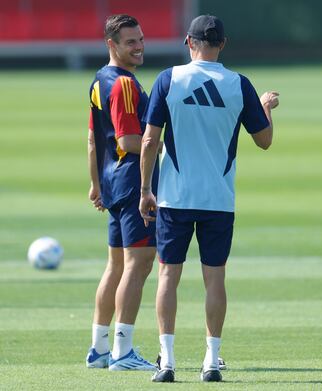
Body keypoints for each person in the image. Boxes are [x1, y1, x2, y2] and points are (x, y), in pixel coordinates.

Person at [139, 14, 279, 383]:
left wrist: (144, 190)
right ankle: (211, 361)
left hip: (174, 196)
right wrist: (265, 106)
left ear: (189, 42)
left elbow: (150, 140)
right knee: (215, 279)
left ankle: (166, 362)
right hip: (218, 198)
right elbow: (264, 141)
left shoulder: (169, 79)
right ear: (223, 44)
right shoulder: (239, 84)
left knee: (168, 276)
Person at [86, 14, 159, 371]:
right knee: (140, 263)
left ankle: (99, 349)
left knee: (116, 265)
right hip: (132, 183)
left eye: (141, 39)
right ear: (111, 45)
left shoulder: (100, 79)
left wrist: (96, 183)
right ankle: (123, 352)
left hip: (113, 183)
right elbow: (130, 141)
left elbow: (93, 137)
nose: (139, 46)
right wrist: (162, 141)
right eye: (131, 41)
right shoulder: (125, 85)